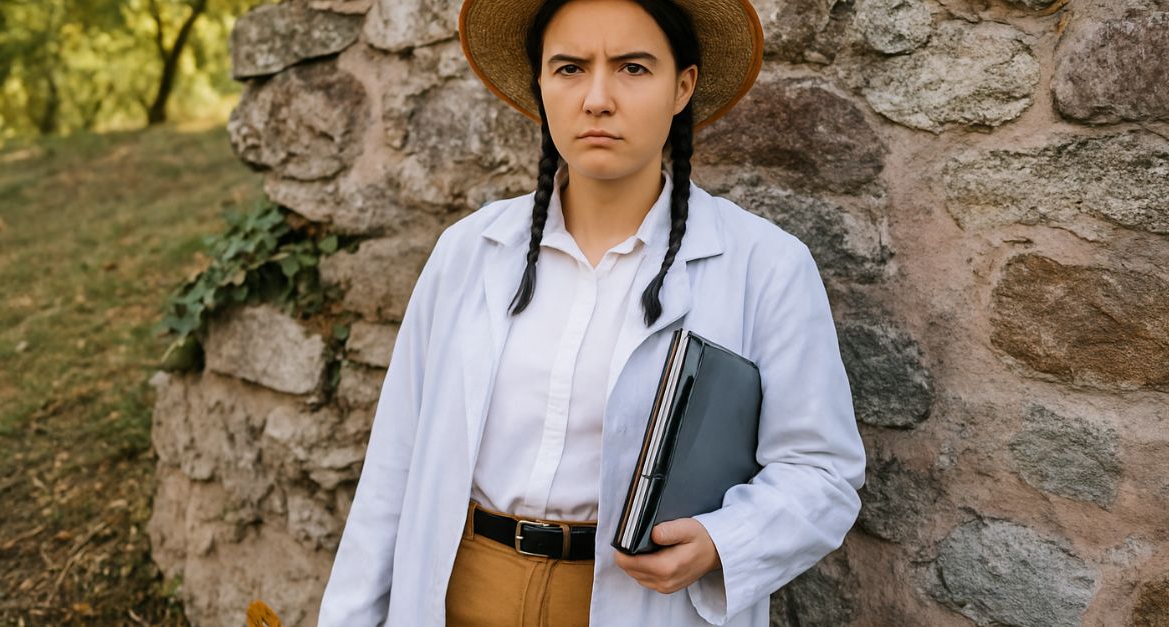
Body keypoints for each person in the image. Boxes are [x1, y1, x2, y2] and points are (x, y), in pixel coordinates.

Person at [317, 0, 866, 624]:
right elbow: (395, 463)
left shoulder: (765, 266)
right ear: (542, 84)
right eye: (570, 68)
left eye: (633, 68)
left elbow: (821, 472)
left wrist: (724, 540)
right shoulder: (469, 251)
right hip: (458, 594)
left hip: (637, 605)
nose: (598, 98)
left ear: (682, 85)